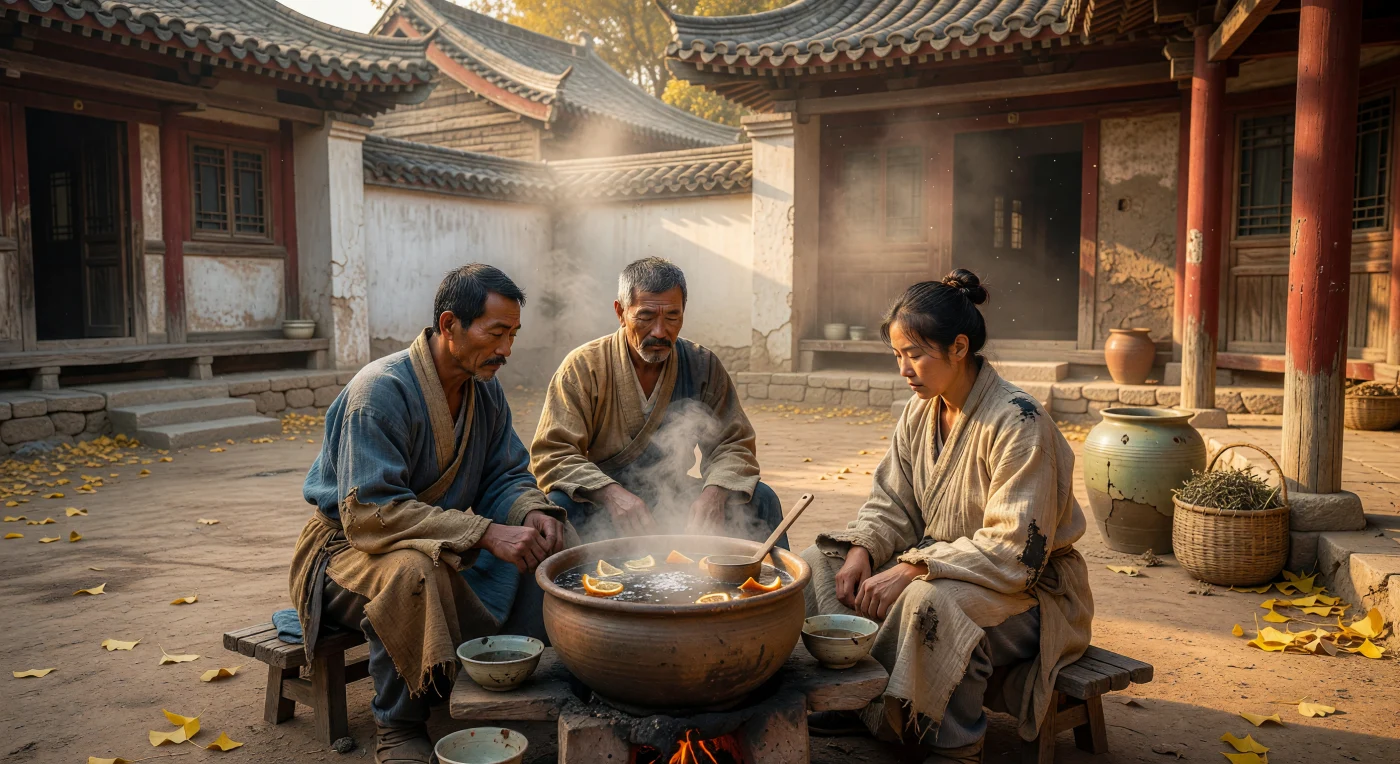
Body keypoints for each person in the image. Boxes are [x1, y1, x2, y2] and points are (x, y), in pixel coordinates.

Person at [802, 270, 1093, 764]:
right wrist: (862, 551)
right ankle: (862, 699)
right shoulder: (919, 412)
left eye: (914, 354)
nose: (904, 369)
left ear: (959, 348)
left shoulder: (1020, 422)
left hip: (1026, 593)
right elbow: (892, 502)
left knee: (927, 601)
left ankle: (953, 742)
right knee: (819, 562)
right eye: (897, 355)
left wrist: (915, 566)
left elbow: (1014, 550)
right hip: (941, 564)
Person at [287, 264, 575, 764]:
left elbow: (505, 474)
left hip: (434, 539)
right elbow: (372, 513)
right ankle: (398, 724)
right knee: (415, 572)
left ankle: (510, 679)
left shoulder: (484, 390)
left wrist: (529, 512)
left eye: (514, 334)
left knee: (546, 543)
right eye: (496, 333)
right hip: (344, 553)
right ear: (449, 325)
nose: (507, 350)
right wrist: (484, 533)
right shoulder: (378, 393)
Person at [531, 256, 786, 545]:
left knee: (760, 498)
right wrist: (611, 493)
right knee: (559, 508)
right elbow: (554, 453)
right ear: (621, 312)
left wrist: (714, 492)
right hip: (602, 502)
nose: (660, 331)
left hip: (674, 499)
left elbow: (734, 444)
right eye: (646, 316)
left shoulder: (702, 365)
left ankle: (768, 588)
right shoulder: (583, 367)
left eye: (672, 317)